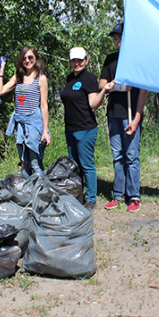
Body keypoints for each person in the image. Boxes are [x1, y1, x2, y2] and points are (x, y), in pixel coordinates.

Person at [99, 23, 149, 212]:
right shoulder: (110, 59)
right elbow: (102, 84)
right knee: (117, 156)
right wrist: (119, 86)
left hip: (130, 115)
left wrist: (136, 119)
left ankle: (133, 197)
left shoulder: (136, 60)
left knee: (131, 156)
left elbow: (143, 91)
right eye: (115, 38)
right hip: (114, 114)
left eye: (120, 37)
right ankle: (118, 195)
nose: (117, 41)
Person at [60, 47, 111, 211]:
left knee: (86, 164)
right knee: (74, 165)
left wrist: (103, 90)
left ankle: (90, 198)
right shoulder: (69, 78)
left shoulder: (89, 79)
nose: (77, 63)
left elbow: (93, 105)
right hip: (70, 128)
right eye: (74, 60)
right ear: (70, 62)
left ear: (86, 61)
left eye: (80, 60)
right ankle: (77, 194)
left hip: (85, 129)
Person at [0, 46, 51, 178]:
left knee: (35, 164)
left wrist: (45, 131)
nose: (27, 60)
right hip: (19, 125)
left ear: (36, 58)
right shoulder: (18, 77)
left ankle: (41, 194)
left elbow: (44, 105)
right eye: (24, 58)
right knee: (24, 164)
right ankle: (27, 196)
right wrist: (1, 70)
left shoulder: (41, 78)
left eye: (30, 57)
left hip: (33, 124)